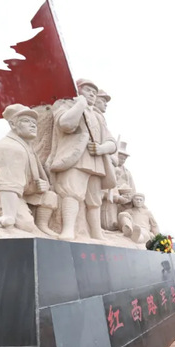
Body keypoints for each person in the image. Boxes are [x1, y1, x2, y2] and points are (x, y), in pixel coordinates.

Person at [0, 104, 58, 237]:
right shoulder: (10, 148)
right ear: (13, 125)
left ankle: (42, 226)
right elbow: (9, 185)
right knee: (25, 225)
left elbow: (30, 178)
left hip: (21, 192)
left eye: (34, 122)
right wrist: (9, 216)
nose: (33, 125)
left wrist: (41, 186)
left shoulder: (27, 148)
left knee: (50, 196)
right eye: (26, 121)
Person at [48, 79, 118, 240]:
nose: (92, 94)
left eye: (94, 92)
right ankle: (68, 230)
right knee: (71, 193)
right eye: (87, 90)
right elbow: (65, 124)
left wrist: (102, 148)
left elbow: (111, 142)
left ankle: (96, 232)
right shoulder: (65, 105)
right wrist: (80, 104)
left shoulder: (98, 116)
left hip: (96, 163)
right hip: (75, 159)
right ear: (77, 90)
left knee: (95, 200)